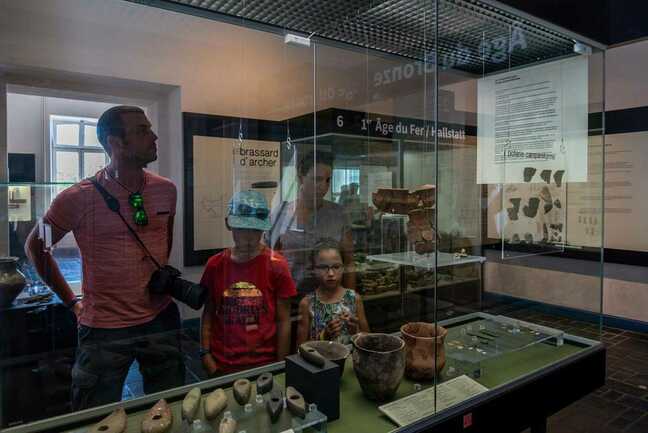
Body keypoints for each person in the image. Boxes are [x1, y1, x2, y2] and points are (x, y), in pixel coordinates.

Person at [24, 106, 184, 410]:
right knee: (94, 414)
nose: (154, 136)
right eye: (142, 130)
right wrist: (72, 301)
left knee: (169, 406)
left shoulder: (166, 191)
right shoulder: (76, 198)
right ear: (116, 143)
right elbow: (36, 246)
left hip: (160, 316)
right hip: (104, 326)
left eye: (149, 128)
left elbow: (163, 244)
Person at [200, 191, 296, 376]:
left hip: (264, 363)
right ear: (229, 225)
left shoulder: (277, 265)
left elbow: (284, 320)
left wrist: (280, 366)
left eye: (255, 230)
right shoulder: (216, 265)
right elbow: (209, 313)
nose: (250, 237)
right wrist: (205, 354)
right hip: (222, 362)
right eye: (243, 229)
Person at [269, 150, 356, 294]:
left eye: (328, 180)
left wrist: (349, 300)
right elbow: (270, 260)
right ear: (301, 177)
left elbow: (348, 262)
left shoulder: (338, 214)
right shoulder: (281, 213)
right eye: (317, 179)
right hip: (290, 297)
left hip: (328, 298)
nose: (324, 186)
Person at [297, 238, 369, 345]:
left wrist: (355, 331)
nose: (330, 273)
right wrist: (324, 336)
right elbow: (300, 349)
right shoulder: (307, 304)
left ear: (343, 268)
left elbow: (369, 339)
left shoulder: (354, 299)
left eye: (336, 267)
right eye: (323, 267)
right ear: (313, 269)